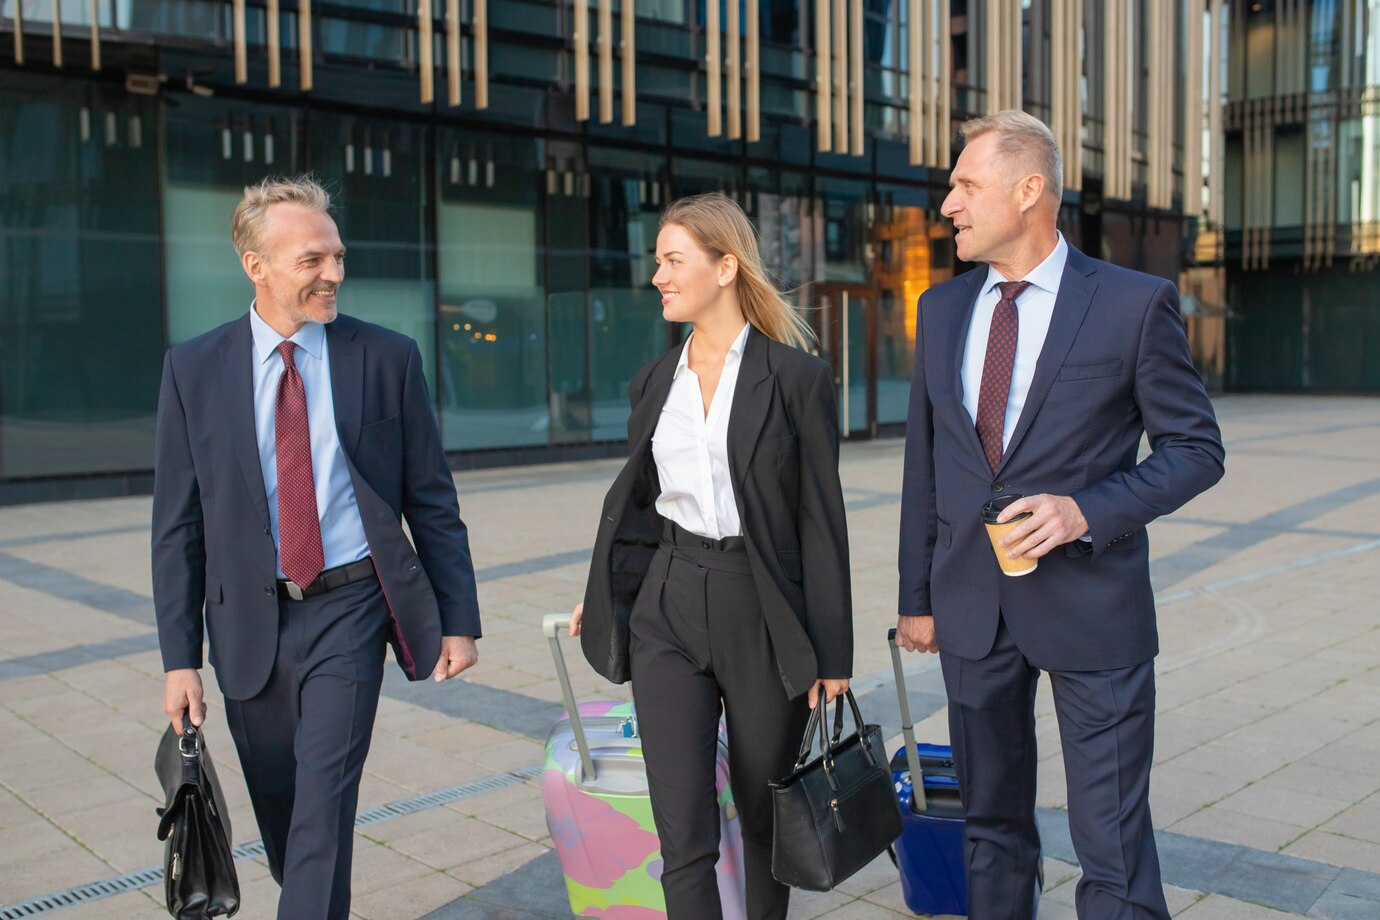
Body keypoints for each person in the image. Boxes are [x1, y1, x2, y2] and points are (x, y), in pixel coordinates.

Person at [895, 111, 1225, 920]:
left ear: (1029, 190)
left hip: (1094, 607)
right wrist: (917, 596)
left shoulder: (1133, 303)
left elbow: (1196, 449)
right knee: (991, 829)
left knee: (1111, 840)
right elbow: (925, 465)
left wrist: (1086, 511)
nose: (949, 206)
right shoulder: (941, 311)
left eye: (966, 186)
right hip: (972, 606)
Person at [151, 175, 482, 920]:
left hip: (350, 609)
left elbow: (430, 497)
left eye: (336, 255)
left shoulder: (385, 358)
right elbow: (177, 527)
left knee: (324, 803)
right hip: (246, 626)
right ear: (255, 265)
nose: (333, 273)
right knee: (288, 818)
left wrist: (457, 617)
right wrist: (179, 659)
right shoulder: (193, 371)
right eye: (311, 260)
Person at [569, 192, 853, 920]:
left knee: (762, 820)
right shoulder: (652, 383)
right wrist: (608, 595)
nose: (657, 276)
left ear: (725, 267)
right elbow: (639, 508)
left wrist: (832, 656)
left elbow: (822, 523)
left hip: (759, 608)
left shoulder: (796, 381)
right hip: (667, 603)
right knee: (683, 831)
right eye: (657, 261)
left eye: (673, 260)